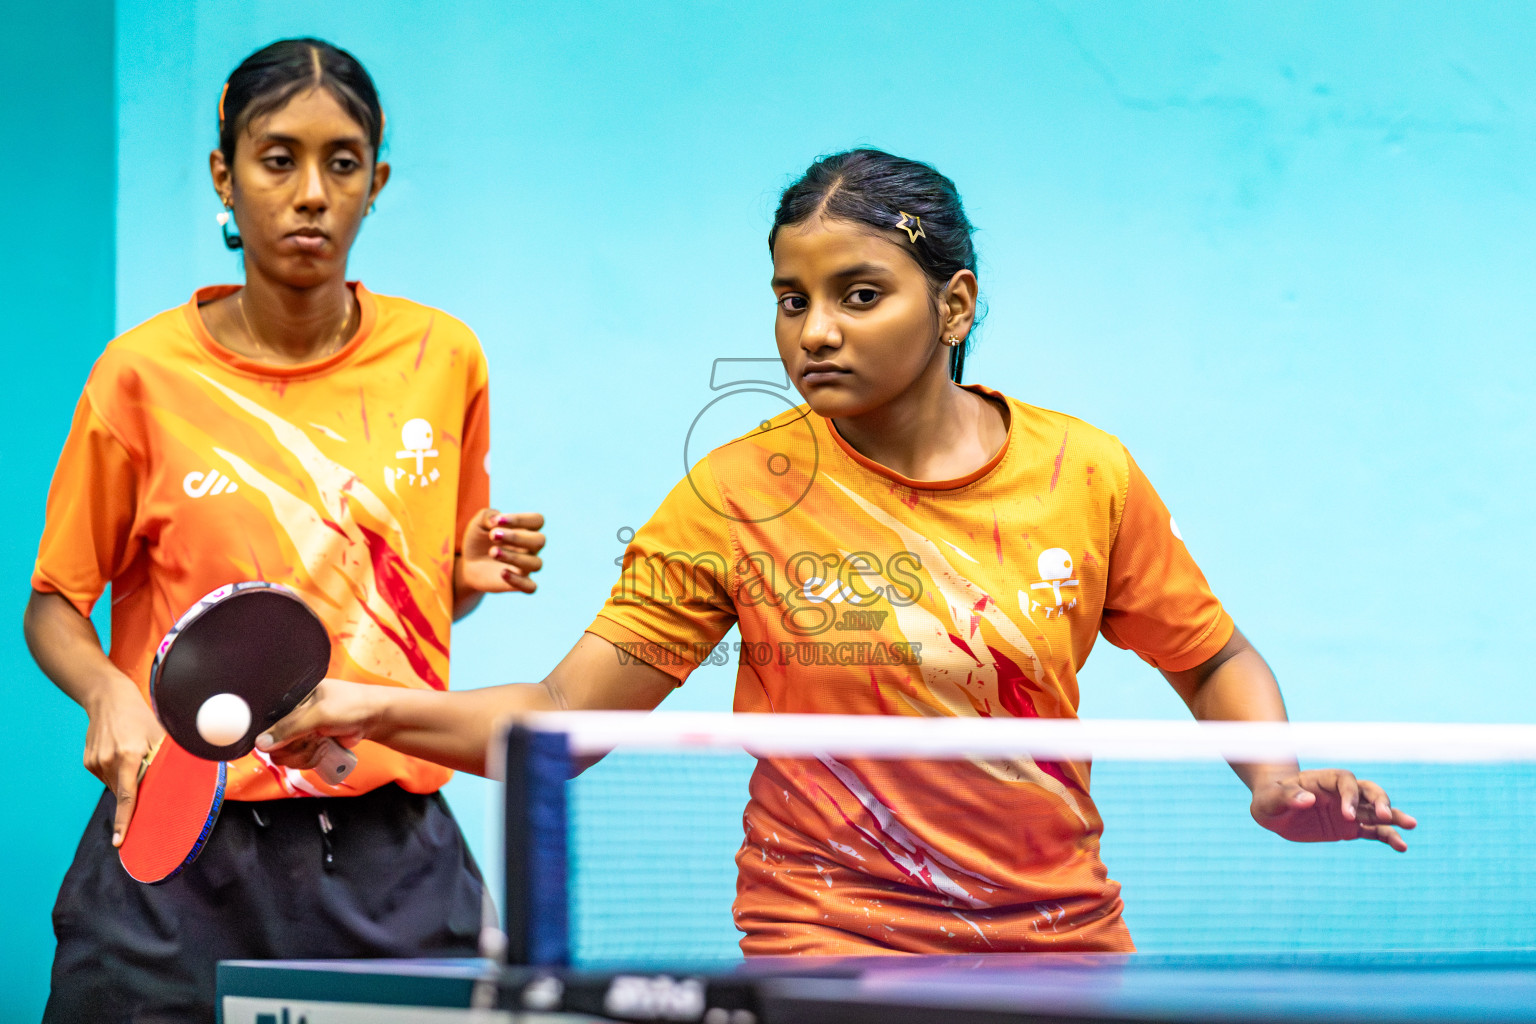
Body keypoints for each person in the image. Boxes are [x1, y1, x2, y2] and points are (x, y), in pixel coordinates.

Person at [260, 149, 1415, 956]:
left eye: (859, 294)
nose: (814, 330)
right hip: (824, 942)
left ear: (953, 304)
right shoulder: (734, 494)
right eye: (792, 297)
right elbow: (565, 717)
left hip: (1057, 938)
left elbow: (1209, 656)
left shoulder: (1086, 475)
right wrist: (360, 705)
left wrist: (1271, 776)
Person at [25, 38, 546, 1022]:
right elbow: (54, 603)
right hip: (179, 845)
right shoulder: (141, 376)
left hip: (390, 853)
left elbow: (416, 606)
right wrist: (104, 692)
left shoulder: (444, 357)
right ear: (225, 173)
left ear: (375, 180)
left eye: (341, 162)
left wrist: (459, 577)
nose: (311, 191)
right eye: (278, 159)